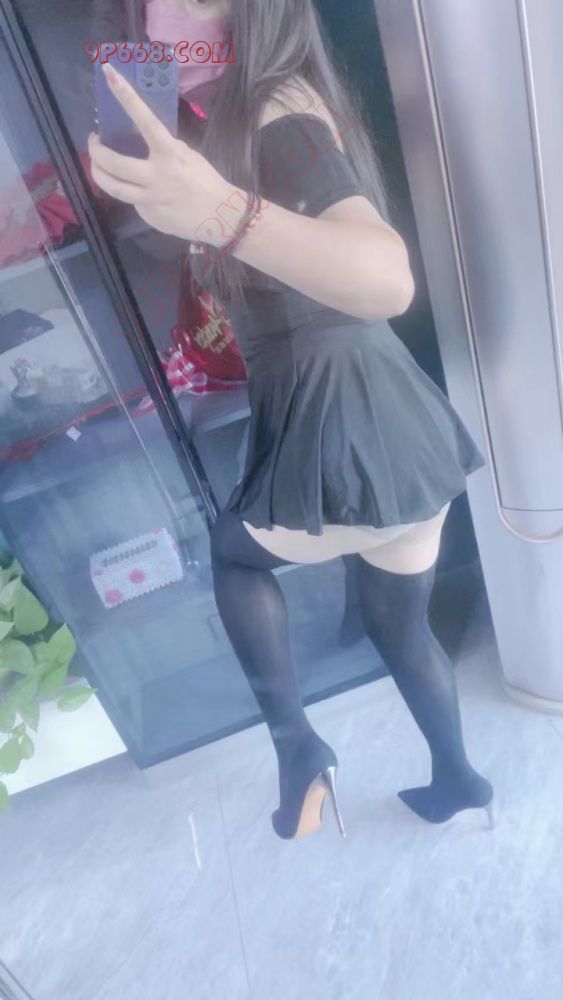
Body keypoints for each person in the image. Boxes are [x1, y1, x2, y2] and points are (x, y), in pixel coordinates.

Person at [88, 0, 494, 841]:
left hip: (347, 423)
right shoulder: (249, 110)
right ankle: (458, 779)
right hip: (397, 432)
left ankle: (297, 748)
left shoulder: (277, 108)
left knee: (234, 555)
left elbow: (385, 278)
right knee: (397, 625)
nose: (166, 10)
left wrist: (220, 215)